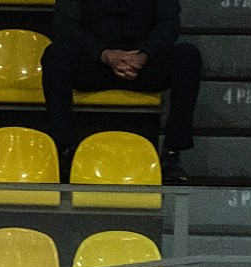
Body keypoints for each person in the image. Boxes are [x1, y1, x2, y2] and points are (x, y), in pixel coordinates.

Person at [44, 0, 202, 185]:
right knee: (55, 54)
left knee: (188, 55)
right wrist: (104, 54)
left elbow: (169, 24)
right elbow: (64, 25)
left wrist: (144, 54)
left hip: (144, 65)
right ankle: (63, 152)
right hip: (96, 63)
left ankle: (172, 153)